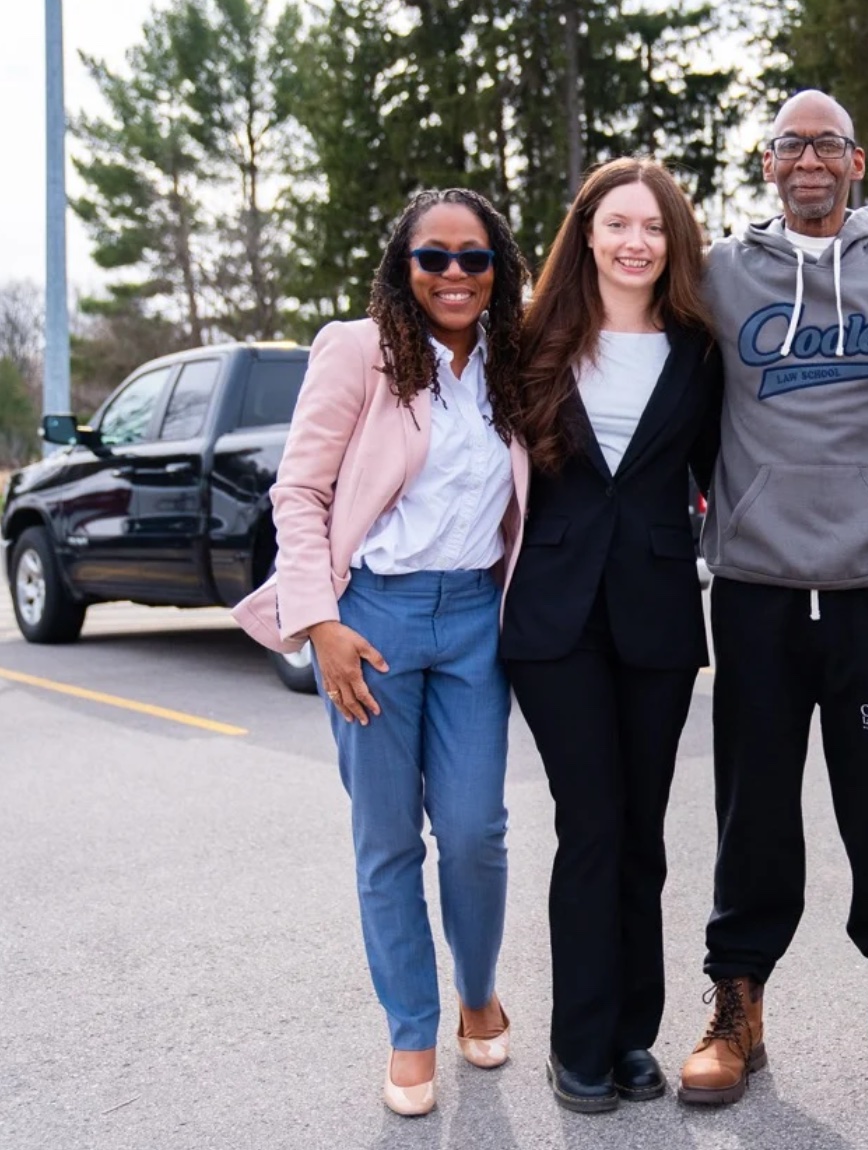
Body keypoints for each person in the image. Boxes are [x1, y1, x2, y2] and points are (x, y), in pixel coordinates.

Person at [677, 89, 868, 1106]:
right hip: (757, 588)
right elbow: (607, 306)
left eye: (828, 144)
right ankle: (736, 1004)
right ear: (766, 164)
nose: (809, 159)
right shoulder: (715, 276)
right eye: (790, 144)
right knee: (750, 809)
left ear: (858, 160)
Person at [233, 189, 532, 1116]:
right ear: (402, 265)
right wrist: (320, 622)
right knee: (387, 838)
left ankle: (476, 990)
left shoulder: (513, 360)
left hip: (478, 620)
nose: (453, 274)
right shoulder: (357, 350)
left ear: (498, 269)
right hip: (374, 619)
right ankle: (411, 1027)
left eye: (473, 258)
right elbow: (300, 491)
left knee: (477, 831)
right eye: (433, 256)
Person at [500, 158, 721, 1113]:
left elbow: (733, 468)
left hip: (659, 614)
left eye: (655, 227)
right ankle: (578, 1042)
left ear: (674, 243)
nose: (637, 241)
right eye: (618, 223)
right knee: (591, 823)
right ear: (585, 233)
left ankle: (636, 1035)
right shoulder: (528, 339)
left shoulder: (701, 350)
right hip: (553, 617)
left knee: (644, 833)